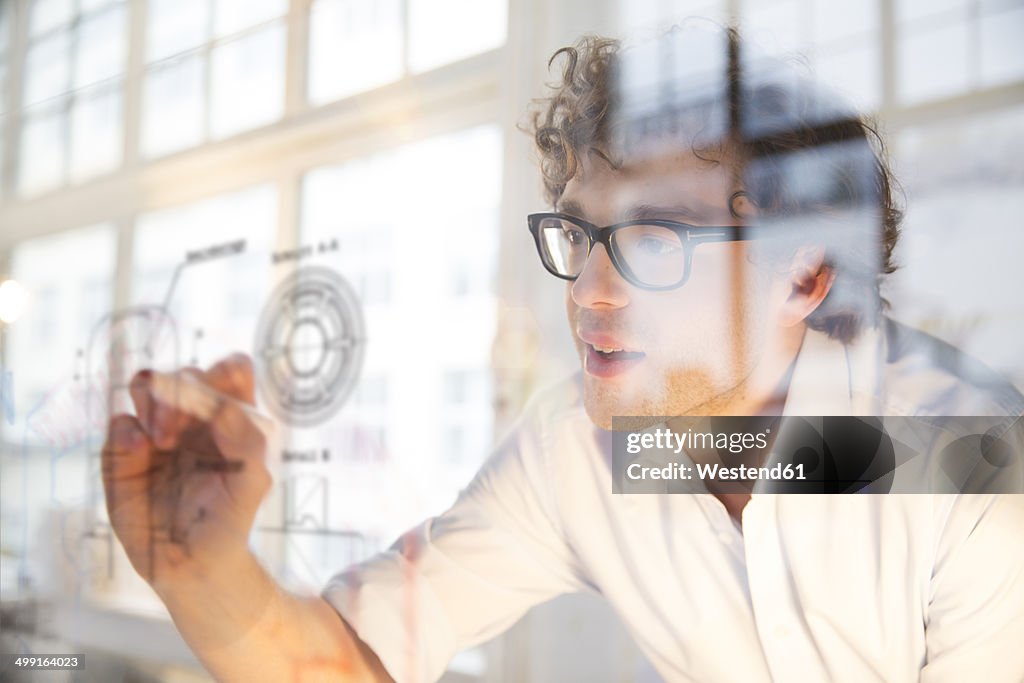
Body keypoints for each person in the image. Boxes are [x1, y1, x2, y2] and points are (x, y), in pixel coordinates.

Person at [101, 24, 1024, 683]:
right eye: (580, 235)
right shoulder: (576, 450)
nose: (589, 291)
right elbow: (356, 659)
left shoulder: (972, 459)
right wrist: (203, 568)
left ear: (806, 270)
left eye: (658, 239)